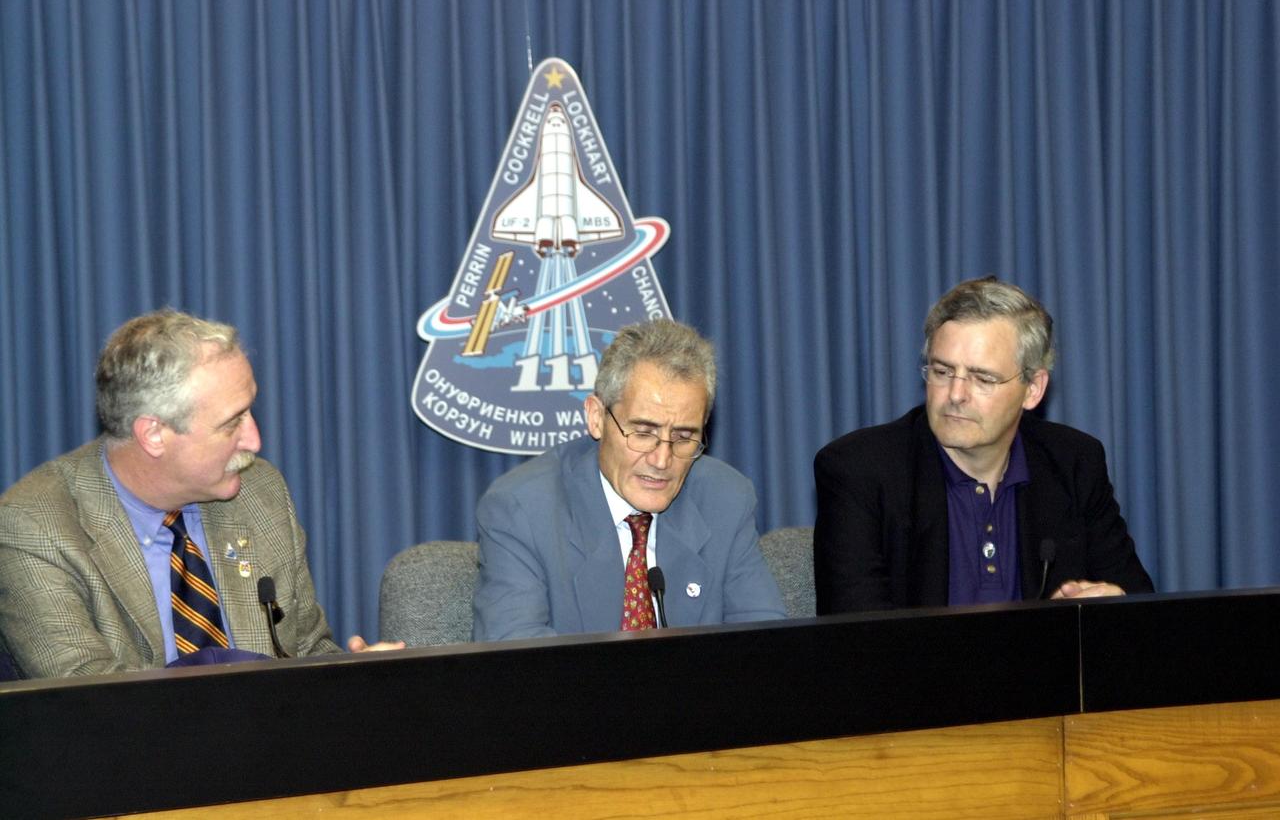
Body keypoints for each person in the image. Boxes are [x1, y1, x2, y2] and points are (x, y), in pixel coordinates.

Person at [0, 309, 401, 678]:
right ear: (153, 434)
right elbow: (91, 706)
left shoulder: (260, 492)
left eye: (250, 411)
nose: (255, 440)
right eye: (232, 423)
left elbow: (302, 651)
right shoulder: (35, 527)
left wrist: (351, 678)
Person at [814, 277, 1154, 614]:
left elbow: (1139, 602)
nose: (956, 395)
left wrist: (1113, 604)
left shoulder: (1073, 462)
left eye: (982, 378)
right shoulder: (859, 470)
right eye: (943, 372)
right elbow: (857, 640)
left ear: (1033, 388)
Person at [473, 319, 786, 640]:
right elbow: (517, 664)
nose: (662, 460)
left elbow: (764, 648)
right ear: (596, 417)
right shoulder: (522, 510)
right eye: (643, 432)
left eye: (683, 437)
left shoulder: (726, 499)